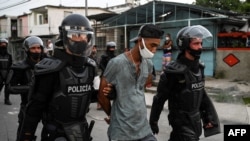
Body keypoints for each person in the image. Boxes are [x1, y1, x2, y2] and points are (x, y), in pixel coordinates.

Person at [18, 14, 98, 141]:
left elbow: (88, 95)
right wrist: (25, 137)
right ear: (64, 37)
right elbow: (34, 110)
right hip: (56, 134)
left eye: (84, 35)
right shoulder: (50, 69)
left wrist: (109, 93)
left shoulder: (90, 67)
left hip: (81, 132)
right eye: (75, 35)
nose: (81, 39)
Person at [149, 25, 220, 141]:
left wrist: (208, 117)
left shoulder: (199, 68)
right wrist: (153, 121)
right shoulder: (173, 72)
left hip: (195, 121)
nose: (200, 47)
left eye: (201, 43)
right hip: (180, 122)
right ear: (185, 45)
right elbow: (159, 99)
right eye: (196, 44)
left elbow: (201, 95)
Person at [98, 24, 164, 141]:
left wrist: (122, 89)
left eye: (157, 47)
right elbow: (102, 95)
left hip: (144, 129)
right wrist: (112, 116)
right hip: (121, 132)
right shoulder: (116, 63)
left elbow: (140, 86)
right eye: (152, 45)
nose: (154, 50)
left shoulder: (148, 64)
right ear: (140, 41)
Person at [5, 36, 46, 141]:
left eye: (38, 48)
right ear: (27, 50)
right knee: (24, 136)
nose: (37, 51)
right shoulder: (20, 67)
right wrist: (30, 87)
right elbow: (10, 87)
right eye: (33, 48)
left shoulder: (48, 65)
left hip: (47, 107)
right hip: (28, 107)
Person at [97, 41, 116, 110]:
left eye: (113, 48)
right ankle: (99, 104)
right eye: (111, 48)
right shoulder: (104, 56)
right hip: (105, 75)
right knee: (102, 89)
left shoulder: (114, 57)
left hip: (113, 75)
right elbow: (101, 65)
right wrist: (106, 71)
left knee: (111, 89)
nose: (112, 49)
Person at [0, 38, 12, 105]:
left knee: (7, 87)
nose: (3, 45)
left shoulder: (9, 55)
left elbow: (11, 64)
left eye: (4, 44)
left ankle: (6, 100)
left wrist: (9, 73)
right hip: (0, 73)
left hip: (7, 72)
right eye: (2, 43)